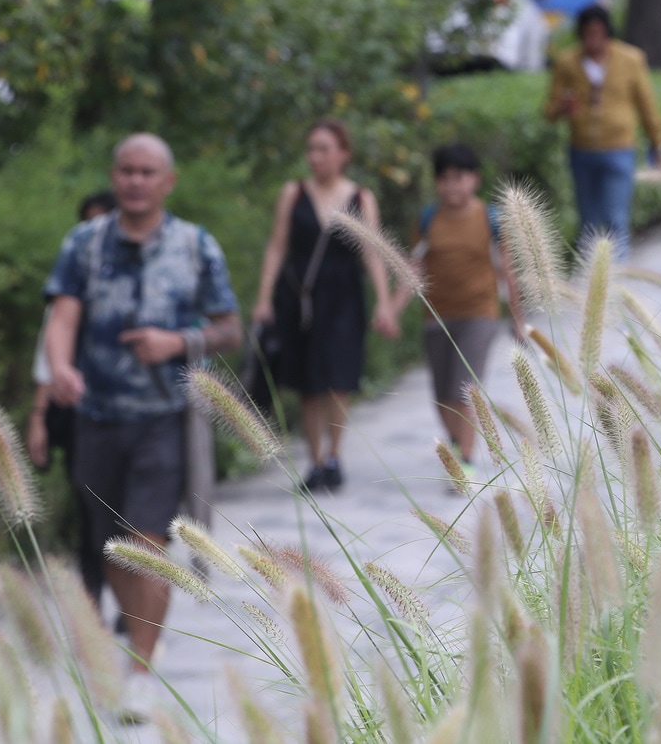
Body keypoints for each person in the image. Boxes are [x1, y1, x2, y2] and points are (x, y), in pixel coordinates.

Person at [44, 133, 242, 722]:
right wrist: (59, 366)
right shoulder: (84, 242)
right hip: (96, 416)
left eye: (146, 171)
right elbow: (63, 312)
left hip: (163, 418)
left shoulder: (195, 246)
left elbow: (229, 328)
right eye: (126, 170)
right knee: (111, 548)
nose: (134, 180)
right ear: (115, 175)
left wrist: (177, 342)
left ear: (167, 182)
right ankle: (129, 646)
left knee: (147, 544)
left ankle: (141, 669)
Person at [251, 119, 398, 493]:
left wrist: (384, 302)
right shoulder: (293, 192)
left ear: (343, 153)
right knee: (307, 381)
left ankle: (334, 454)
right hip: (299, 296)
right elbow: (277, 245)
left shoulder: (360, 197)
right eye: (311, 148)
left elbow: (373, 252)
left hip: (343, 295)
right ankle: (315, 460)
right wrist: (264, 297)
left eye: (324, 149)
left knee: (338, 377)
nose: (316, 156)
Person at [397, 144, 523, 475]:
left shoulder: (489, 218)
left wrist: (518, 319)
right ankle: (456, 441)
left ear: (475, 179)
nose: (452, 186)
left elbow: (505, 269)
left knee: (465, 388)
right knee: (442, 395)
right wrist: (392, 310)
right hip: (436, 316)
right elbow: (414, 267)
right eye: (444, 178)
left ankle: (465, 461)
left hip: (480, 313)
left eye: (459, 177)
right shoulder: (427, 219)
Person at [28, 190, 117, 605]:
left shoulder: (133, 285)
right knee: (90, 507)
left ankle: (130, 598)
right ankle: (93, 594)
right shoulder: (68, 285)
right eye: (86, 224)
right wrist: (38, 416)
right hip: (76, 413)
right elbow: (48, 357)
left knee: (131, 511)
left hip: (127, 414)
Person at [544, 3, 661, 257]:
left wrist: (657, 141)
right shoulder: (567, 62)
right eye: (588, 34)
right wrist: (562, 108)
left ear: (608, 32)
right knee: (588, 219)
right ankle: (590, 278)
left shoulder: (630, 59)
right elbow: (549, 111)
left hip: (619, 148)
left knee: (615, 217)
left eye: (599, 34)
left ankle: (617, 276)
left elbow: (646, 104)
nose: (594, 41)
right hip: (582, 149)